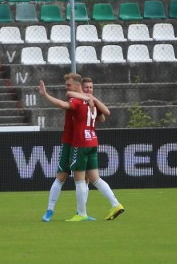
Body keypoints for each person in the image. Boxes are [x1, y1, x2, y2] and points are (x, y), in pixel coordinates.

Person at [39, 74, 124, 222]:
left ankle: (82, 213)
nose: (89, 90)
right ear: (82, 88)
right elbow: (104, 115)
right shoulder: (81, 100)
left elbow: (65, 103)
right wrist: (90, 99)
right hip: (81, 142)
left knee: (82, 180)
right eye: (87, 88)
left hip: (80, 143)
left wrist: (45, 94)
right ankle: (50, 211)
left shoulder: (79, 101)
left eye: (91, 88)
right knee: (70, 177)